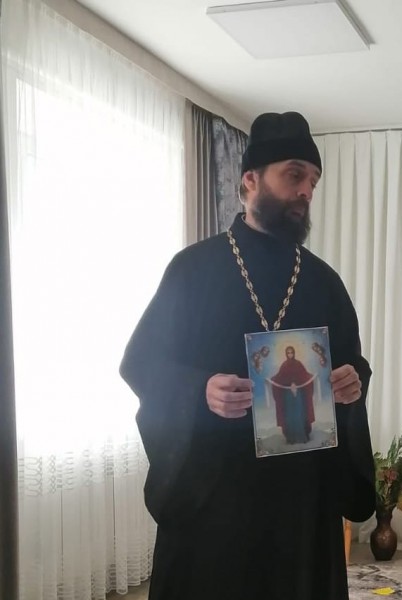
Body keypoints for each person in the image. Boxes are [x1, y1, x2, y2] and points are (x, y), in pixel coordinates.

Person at [120, 111, 376, 600]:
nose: (306, 191)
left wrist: (352, 381)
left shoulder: (324, 281)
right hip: (216, 492)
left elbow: (352, 364)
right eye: (295, 174)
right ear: (250, 180)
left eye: (313, 181)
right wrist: (200, 390)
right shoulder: (192, 270)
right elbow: (141, 363)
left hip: (301, 497)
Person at [270, 345, 315, 444]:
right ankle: (291, 438)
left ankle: (302, 436)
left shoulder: (298, 364)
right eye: (288, 353)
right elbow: (279, 377)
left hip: (299, 395)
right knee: (290, 415)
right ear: (286, 354)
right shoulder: (284, 365)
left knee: (300, 413)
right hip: (288, 396)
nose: (290, 354)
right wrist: (273, 380)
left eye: (291, 352)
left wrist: (309, 378)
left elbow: (304, 375)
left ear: (294, 353)